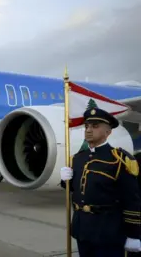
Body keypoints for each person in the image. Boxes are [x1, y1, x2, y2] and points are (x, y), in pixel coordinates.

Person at [60, 107, 141, 256]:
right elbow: (75, 190)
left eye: (95, 126)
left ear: (108, 132)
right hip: (82, 230)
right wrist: (65, 181)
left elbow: (132, 200)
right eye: (87, 126)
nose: (89, 130)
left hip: (108, 232)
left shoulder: (119, 160)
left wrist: (134, 235)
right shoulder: (77, 159)